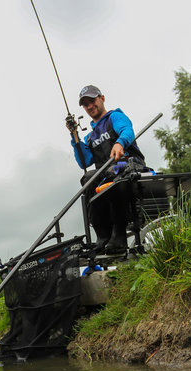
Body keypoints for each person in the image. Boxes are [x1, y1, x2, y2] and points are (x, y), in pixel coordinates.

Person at [67, 85, 146, 254]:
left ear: (102, 98)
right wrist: (75, 137)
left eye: (92, 101)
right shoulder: (91, 136)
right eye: (85, 104)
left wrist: (120, 143)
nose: (90, 106)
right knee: (88, 177)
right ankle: (102, 235)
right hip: (106, 173)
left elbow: (127, 130)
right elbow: (85, 161)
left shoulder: (115, 117)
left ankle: (119, 234)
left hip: (128, 164)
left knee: (114, 173)